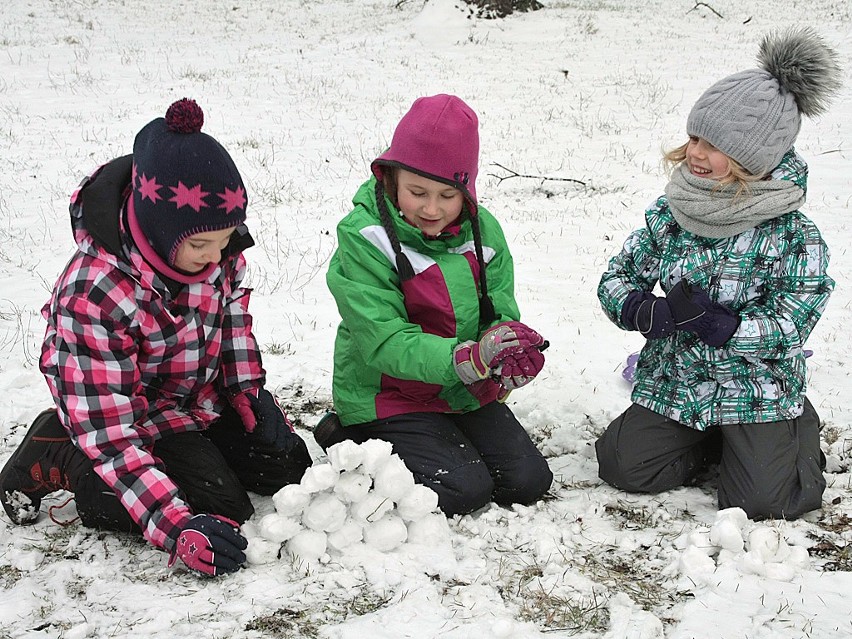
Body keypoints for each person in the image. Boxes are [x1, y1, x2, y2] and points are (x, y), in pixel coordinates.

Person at [0, 99, 311, 576]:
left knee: (284, 467)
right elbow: (113, 438)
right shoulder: (94, 294)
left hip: (192, 400)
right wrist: (175, 525)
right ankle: (57, 446)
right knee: (216, 505)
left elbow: (232, 321)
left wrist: (248, 392)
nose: (216, 258)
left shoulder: (212, 249)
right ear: (160, 230)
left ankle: (201, 453)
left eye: (225, 240)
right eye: (202, 246)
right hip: (123, 416)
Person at [596, 27, 841, 521]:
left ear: (754, 158)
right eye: (694, 137)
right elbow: (617, 277)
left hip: (755, 386)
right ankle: (716, 442)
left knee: (767, 502)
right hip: (680, 378)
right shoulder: (670, 212)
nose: (696, 155)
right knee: (623, 466)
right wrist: (643, 309)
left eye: (715, 145)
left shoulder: (794, 235)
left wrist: (725, 328)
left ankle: (790, 436)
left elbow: (792, 326)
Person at [314, 94, 553, 516]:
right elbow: (385, 339)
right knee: (465, 490)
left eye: (447, 195)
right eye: (417, 192)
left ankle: (442, 435)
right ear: (391, 178)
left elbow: (498, 308)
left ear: (467, 192)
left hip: (462, 389)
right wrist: (470, 357)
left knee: (527, 481)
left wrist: (506, 345)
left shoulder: (483, 231)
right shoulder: (364, 236)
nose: (431, 208)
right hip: (388, 395)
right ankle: (349, 439)